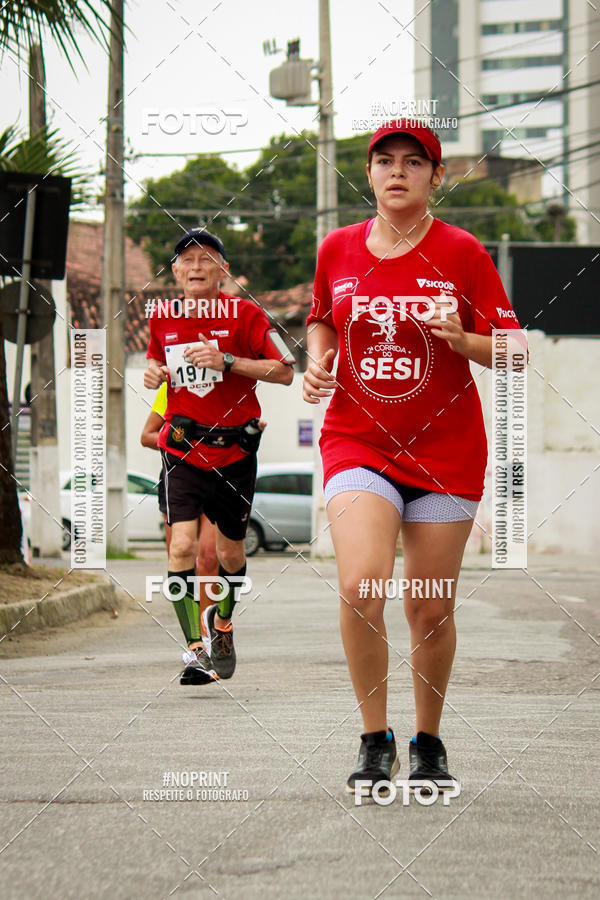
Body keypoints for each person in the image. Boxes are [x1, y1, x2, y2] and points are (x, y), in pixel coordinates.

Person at [303, 119, 523, 796]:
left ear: (435, 177)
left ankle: (428, 739)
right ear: (369, 175)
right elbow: (321, 316)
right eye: (384, 161)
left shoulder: (463, 252)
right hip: (358, 441)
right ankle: (376, 738)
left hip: (446, 449)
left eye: (413, 162)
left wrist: (465, 339)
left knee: (429, 607)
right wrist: (317, 359)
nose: (397, 171)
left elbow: (514, 349)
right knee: (362, 583)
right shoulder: (337, 249)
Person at [145, 228, 294, 683]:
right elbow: (157, 363)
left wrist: (227, 360)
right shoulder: (162, 318)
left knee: (230, 554)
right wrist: (154, 373)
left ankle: (223, 625)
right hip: (182, 450)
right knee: (183, 546)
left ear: (223, 270)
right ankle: (194, 648)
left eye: (206, 259)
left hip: (233, 454)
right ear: (174, 271)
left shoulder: (246, 314)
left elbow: (286, 372)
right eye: (186, 260)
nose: (195, 266)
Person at [141, 382, 218, 685]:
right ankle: (195, 643)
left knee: (210, 557)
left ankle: (209, 637)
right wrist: (178, 437)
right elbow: (146, 435)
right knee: (181, 556)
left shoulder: (227, 385)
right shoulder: (170, 387)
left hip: (217, 477)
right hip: (178, 478)